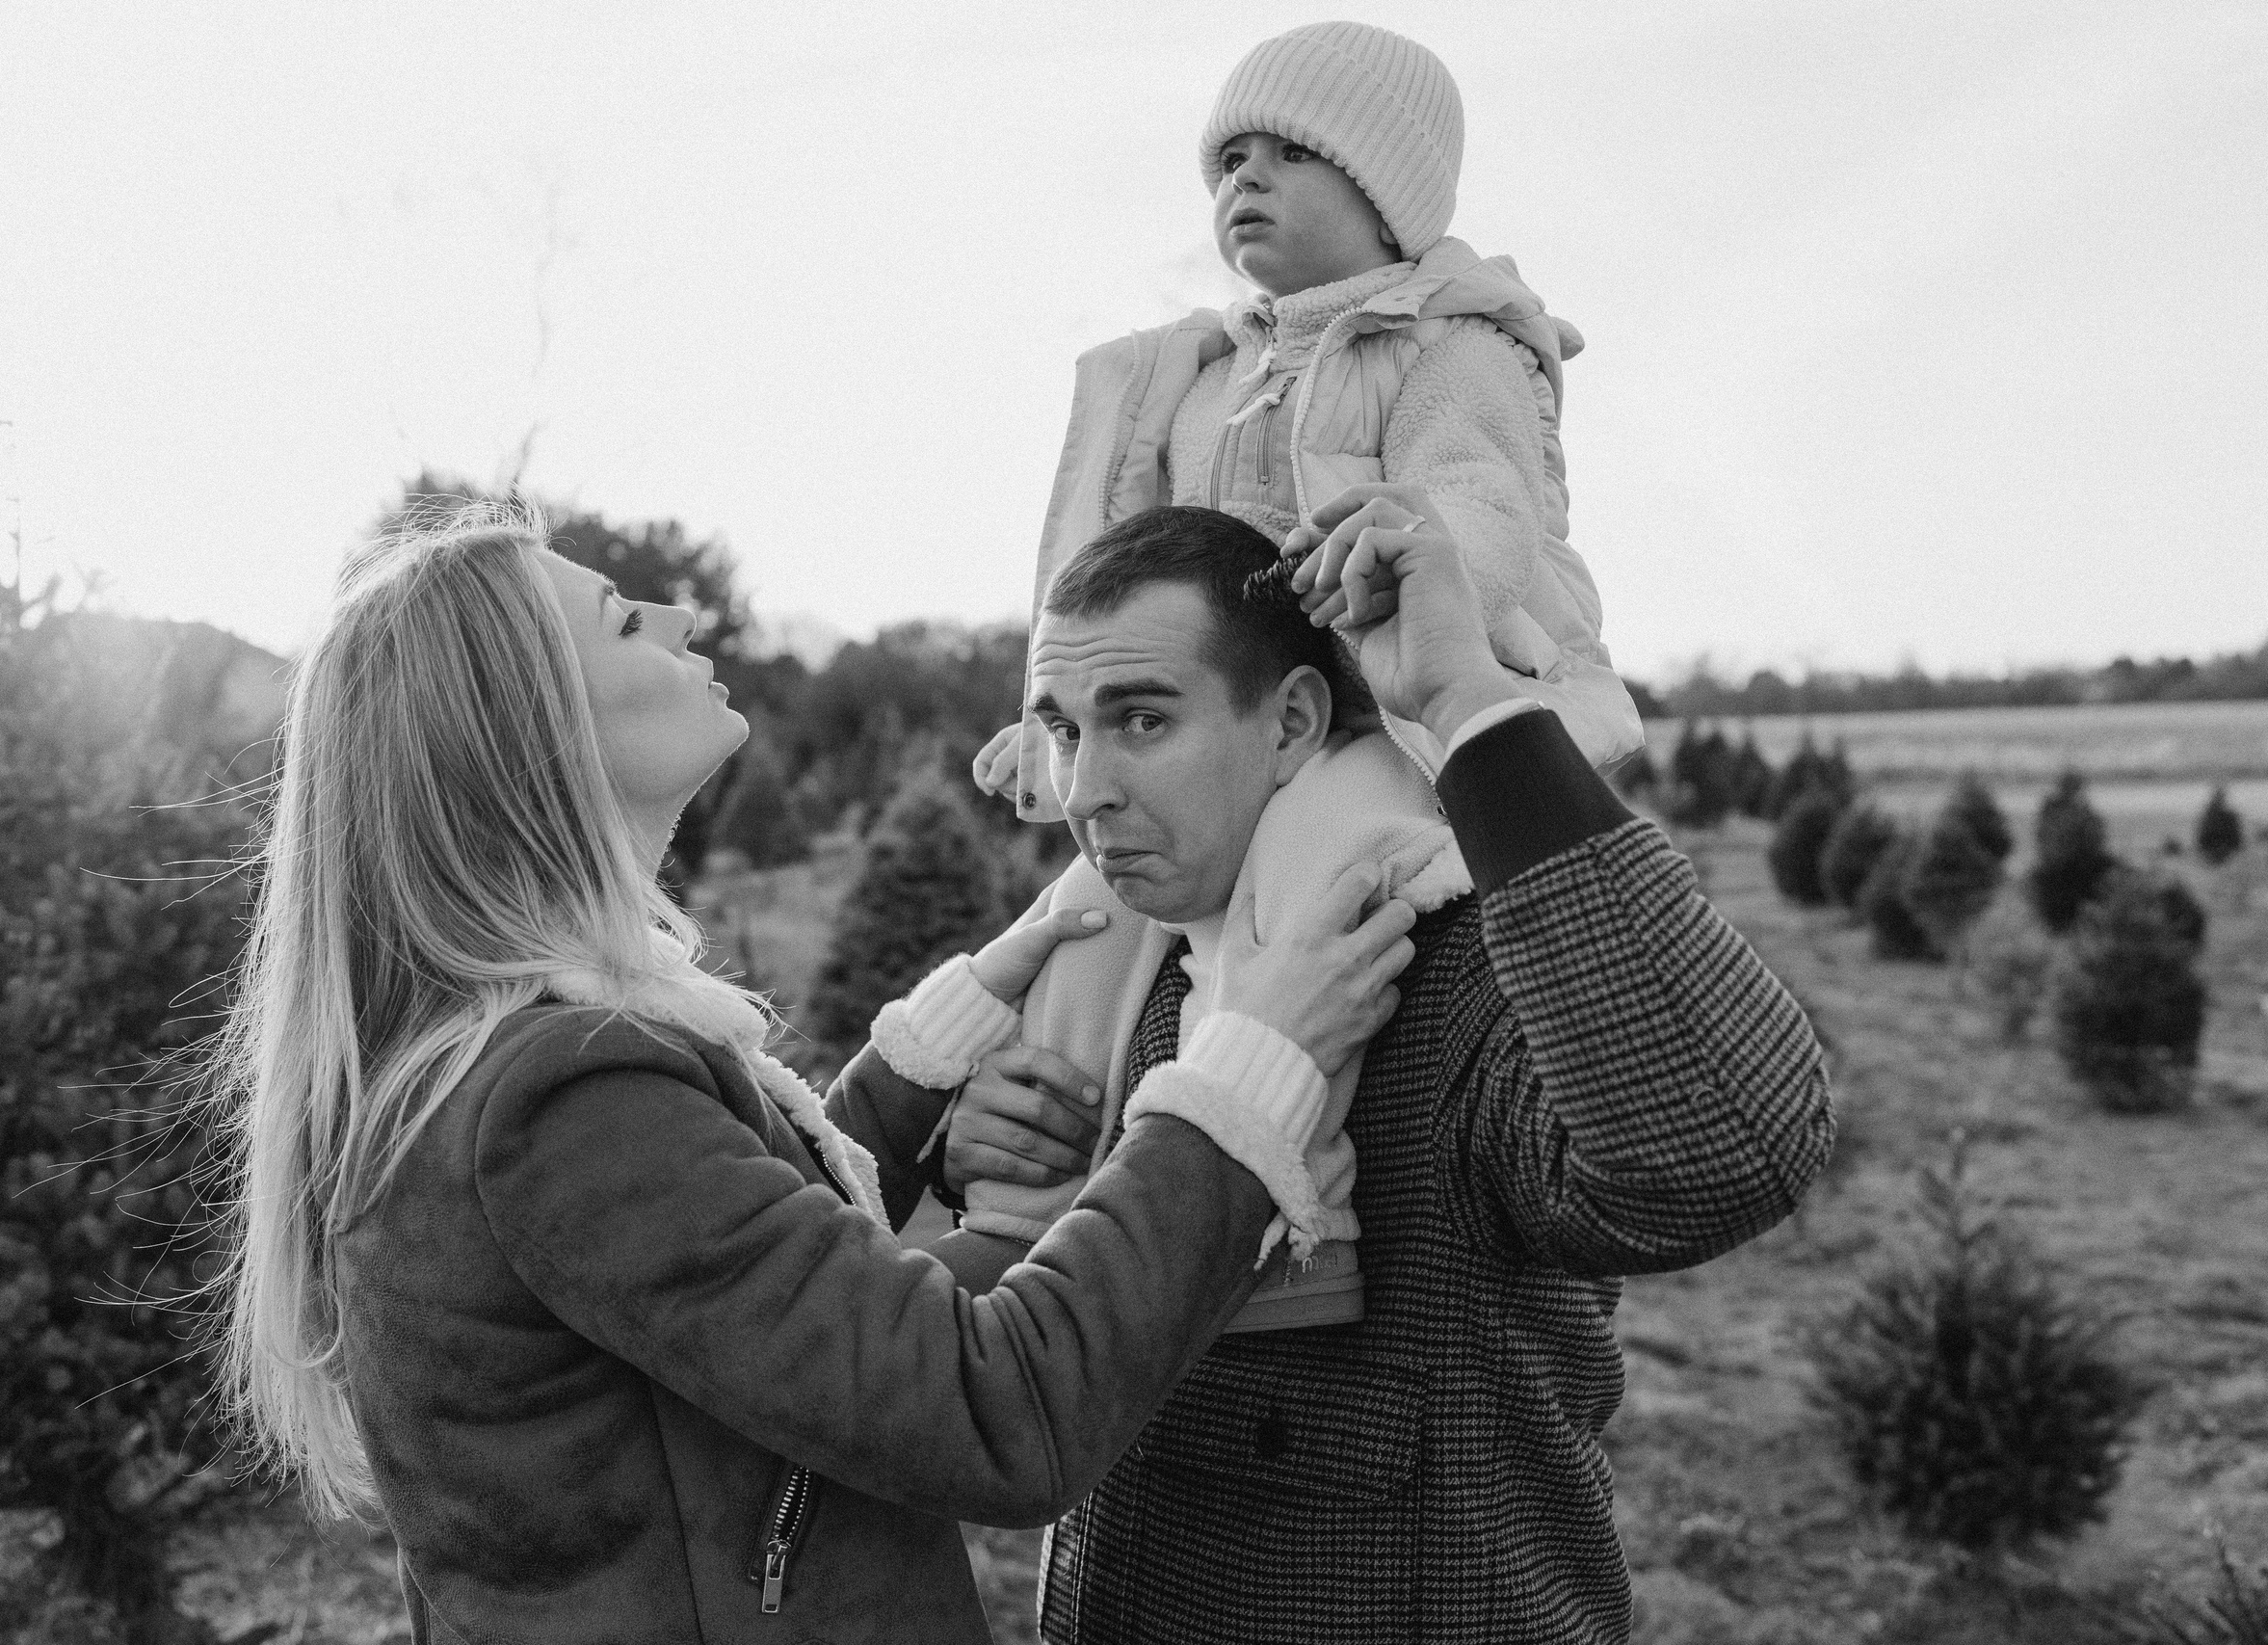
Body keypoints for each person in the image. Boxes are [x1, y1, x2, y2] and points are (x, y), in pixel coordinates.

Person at [204, 501, 1417, 1644]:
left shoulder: (503, 1061)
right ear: (523, 726)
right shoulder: (561, 1100)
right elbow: (1000, 1414)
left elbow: (725, 1281)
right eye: (626, 620)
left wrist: (916, 1074)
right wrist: (1249, 1064)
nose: (683, 619)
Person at [945, 491, 1833, 1644]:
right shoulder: (1116, 983)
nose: (1083, 790)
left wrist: (1467, 701)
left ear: (1295, 721)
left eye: (1143, 720)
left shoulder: (1427, 963)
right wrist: (967, 1158)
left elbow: (1721, 1156)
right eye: (1062, 728)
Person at [943, 20, 1645, 1318]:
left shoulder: (1447, 348)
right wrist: (1056, 716)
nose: (1243, 185)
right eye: (1226, 160)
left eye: (1289, 155)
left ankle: (1292, 1208)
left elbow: (1487, 510)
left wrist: (1406, 543)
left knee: (1307, 886)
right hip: (1235, 716)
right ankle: (1027, 1223)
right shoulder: (1205, 378)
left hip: (1383, 715)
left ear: (1389, 192)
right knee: (1087, 931)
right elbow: (1126, 583)